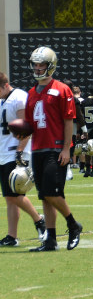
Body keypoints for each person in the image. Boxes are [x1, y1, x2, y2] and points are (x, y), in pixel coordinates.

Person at [24, 47, 83, 252]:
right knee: (44, 195)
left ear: (50, 66)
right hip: (38, 148)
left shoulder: (61, 89)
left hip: (56, 147)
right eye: (36, 64)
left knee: (52, 192)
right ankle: (50, 239)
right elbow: (30, 124)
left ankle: (73, 225)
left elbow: (68, 120)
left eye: (41, 65)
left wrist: (66, 148)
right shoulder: (31, 92)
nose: (38, 68)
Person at [0, 72, 47, 247]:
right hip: (4, 152)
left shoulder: (19, 97)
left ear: (5, 85)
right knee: (9, 197)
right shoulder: (3, 100)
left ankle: (39, 220)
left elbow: (26, 126)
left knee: (15, 195)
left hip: (15, 152)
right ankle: (12, 236)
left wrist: (20, 151)